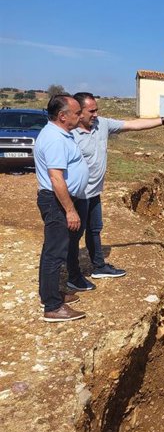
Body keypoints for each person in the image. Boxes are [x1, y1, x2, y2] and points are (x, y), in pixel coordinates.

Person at [66, 92, 164, 289]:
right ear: (78, 113)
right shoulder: (69, 134)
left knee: (95, 230)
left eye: (97, 110)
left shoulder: (101, 124)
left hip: (94, 192)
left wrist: (163, 121)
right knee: (74, 236)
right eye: (91, 111)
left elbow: (132, 125)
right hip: (77, 194)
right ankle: (73, 276)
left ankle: (98, 266)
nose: (96, 114)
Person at [35, 94, 89, 322]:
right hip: (56, 202)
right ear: (62, 116)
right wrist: (70, 209)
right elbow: (56, 178)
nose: (80, 116)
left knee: (56, 249)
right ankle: (52, 306)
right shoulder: (55, 139)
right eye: (77, 113)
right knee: (54, 253)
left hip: (60, 200)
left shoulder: (61, 134)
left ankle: (52, 294)